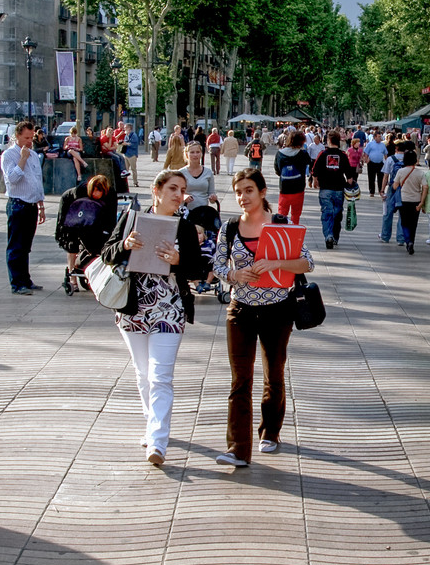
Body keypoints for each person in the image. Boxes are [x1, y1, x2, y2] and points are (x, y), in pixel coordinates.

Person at [210, 167, 315, 467]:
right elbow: (217, 266)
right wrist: (234, 273)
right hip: (240, 310)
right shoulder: (229, 228)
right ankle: (238, 449)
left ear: (263, 192)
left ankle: (270, 431)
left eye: (249, 190)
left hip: (277, 310)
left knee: (274, 373)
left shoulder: (282, 224)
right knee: (240, 379)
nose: (243, 197)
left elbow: (307, 263)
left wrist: (275, 263)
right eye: (238, 191)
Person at [99, 170, 205, 465]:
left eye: (182, 190)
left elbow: (198, 269)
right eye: (172, 188)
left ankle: (158, 442)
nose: (178, 195)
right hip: (133, 310)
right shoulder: (132, 219)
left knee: (161, 376)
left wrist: (178, 260)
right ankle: (151, 425)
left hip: (169, 310)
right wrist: (124, 246)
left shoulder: (184, 227)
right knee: (143, 374)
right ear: (156, 191)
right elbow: (106, 253)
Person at [1, 121, 47, 295]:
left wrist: (41, 204)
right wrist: (22, 159)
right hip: (18, 203)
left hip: (32, 204)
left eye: (31, 137)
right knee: (16, 245)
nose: (29, 141)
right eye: (26, 137)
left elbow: (37, 180)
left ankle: (26, 279)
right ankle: (17, 282)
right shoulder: (9, 155)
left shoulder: (34, 155)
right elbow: (12, 179)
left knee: (26, 245)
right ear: (18, 136)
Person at [55, 174, 117, 293]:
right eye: (93, 190)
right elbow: (74, 219)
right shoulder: (79, 192)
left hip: (93, 217)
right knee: (72, 244)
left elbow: (111, 218)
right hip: (73, 213)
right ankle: (72, 278)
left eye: (98, 190)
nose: (94, 193)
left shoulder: (110, 194)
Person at [310, 131, 351, 250]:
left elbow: (315, 170)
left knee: (327, 213)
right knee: (337, 214)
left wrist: (315, 181)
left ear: (328, 140)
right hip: (339, 189)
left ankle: (328, 235)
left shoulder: (323, 154)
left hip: (325, 189)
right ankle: (335, 237)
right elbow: (349, 175)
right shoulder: (343, 155)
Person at [274, 131, 311, 224]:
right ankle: (294, 233)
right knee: (296, 214)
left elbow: (277, 170)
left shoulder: (280, 154)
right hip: (298, 188)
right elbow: (310, 164)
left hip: (284, 188)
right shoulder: (303, 154)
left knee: (282, 213)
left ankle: (282, 233)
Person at [393, 151, 424, 255]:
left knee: (404, 222)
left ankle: (408, 241)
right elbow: (425, 187)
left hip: (404, 200)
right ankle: (412, 241)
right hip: (416, 200)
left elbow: (395, 186)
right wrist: (422, 202)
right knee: (413, 224)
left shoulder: (401, 171)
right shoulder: (420, 173)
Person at [378, 140, 407, 244]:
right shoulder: (408, 160)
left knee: (388, 213)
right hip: (404, 188)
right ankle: (401, 238)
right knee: (402, 214)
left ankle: (385, 236)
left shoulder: (390, 159)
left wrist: (382, 190)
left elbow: (385, 176)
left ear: (396, 149)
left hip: (392, 187)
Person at [182, 141, 218, 210]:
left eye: (198, 152)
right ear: (187, 155)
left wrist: (213, 197)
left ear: (201, 154)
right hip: (186, 211)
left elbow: (211, 195)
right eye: (192, 152)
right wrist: (183, 196)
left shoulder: (208, 172)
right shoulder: (181, 173)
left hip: (202, 212)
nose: (195, 155)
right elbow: (175, 195)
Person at [362, 131, 387, 197]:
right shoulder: (370, 144)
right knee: (371, 178)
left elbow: (385, 153)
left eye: (380, 136)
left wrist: (386, 162)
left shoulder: (383, 145)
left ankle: (380, 191)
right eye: (379, 136)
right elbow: (366, 152)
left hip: (380, 163)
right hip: (371, 163)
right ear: (375, 137)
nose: (380, 138)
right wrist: (366, 160)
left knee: (380, 178)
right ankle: (372, 191)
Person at [122, 121, 141, 186]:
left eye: (125, 127)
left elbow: (134, 145)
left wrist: (126, 144)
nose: (124, 129)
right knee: (125, 170)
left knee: (133, 169)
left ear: (129, 128)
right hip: (126, 154)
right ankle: (125, 183)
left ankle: (135, 182)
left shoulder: (134, 135)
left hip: (132, 154)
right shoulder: (126, 136)